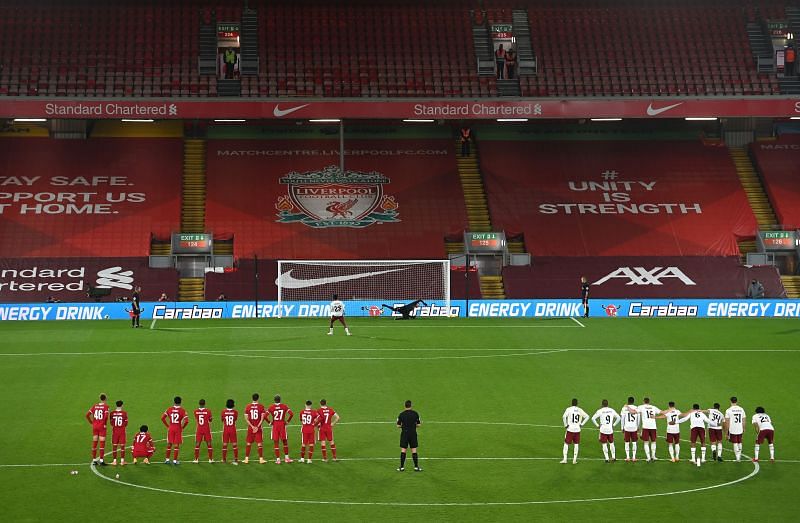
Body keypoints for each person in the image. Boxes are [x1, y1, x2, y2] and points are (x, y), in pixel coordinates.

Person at [161, 396, 189, 465]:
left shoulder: (169, 409)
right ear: (181, 402)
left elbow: (162, 418)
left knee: (169, 444)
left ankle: (167, 460)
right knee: (176, 445)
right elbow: (186, 421)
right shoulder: (182, 410)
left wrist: (168, 426)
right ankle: (175, 461)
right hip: (178, 428)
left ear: (174, 402)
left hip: (171, 428)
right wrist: (182, 428)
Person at [560, 398, 589, 464]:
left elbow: (564, 417)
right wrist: (581, 424)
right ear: (577, 403)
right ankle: (574, 460)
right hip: (577, 430)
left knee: (566, 443)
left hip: (570, 429)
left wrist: (565, 425)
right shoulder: (580, 410)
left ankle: (565, 459)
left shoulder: (569, 409)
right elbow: (587, 416)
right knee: (576, 444)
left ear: (571, 403)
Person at [268, 395, 294, 463]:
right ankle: (287, 458)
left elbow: (265, 416)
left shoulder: (271, 407)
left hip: (275, 425)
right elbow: (291, 414)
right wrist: (287, 421)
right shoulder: (284, 406)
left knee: (276, 442)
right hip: (282, 425)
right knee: (285, 441)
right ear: (280, 400)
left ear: (274, 400)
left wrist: (269, 423)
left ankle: (278, 459)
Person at [397, 400, 422, 471]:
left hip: (404, 433)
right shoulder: (415, 414)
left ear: (404, 406)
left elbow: (398, 425)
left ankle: (401, 467)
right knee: (414, 450)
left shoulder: (401, 414)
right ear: (411, 405)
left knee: (403, 450)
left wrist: (404, 426)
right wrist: (413, 426)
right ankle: (416, 467)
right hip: (413, 433)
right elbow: (419, 424)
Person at [86, 393, 110, 466]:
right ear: (105, 399)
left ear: (100, 398)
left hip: (95, 426)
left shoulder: (95, 406)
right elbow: (106, 416)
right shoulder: (106, 407)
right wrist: (105, 424)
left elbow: (87, 415)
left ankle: (94, 460)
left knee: (95, 442)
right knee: (102, 443)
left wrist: (91, 423)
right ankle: (101, 460)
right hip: (102, 427)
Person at [635, 397, 661, 462]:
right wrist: (670, 410)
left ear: (643, 401)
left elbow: (633, 412)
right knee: (653, 441)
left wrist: (627, 407)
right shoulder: (653, 407)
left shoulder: (641, 407)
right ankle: (653, 456)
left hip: (645, 427)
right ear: (649, 401)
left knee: (646, 442)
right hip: (653, 427)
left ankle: (648, 457)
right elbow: (662, 412)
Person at [244, 393, 267, 464]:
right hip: (258, 428)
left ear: (252, 398)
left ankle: (246, 459)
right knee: (259, 443)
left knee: (248, 443)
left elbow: (246, 419)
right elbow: (262, 418)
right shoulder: (261, 406)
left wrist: (252, 426)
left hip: (250, 428)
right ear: (258, 398)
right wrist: (257, 427)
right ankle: (261, 459)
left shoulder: (247, 407)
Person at [724, 396, 746, 462]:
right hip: (740, 428)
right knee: (739, 442)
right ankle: (739, 455)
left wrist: (726, 432)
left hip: (732, 429)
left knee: (735, 442)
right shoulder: (741, 409)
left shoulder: (728, 410)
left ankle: (738, 458)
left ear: (730, 401)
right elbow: (744, 420)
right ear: (737, 401)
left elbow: (727, 422)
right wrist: (744, 428)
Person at [620, 396, 640, 462]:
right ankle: (634, 457)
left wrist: (622, 427)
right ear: (633, 401)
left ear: (628, 401)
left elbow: (622, 418)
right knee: (634, 442)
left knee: (627, 442)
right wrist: (638, 426)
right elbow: (638, 418)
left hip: (627, 427)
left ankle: (628, 457)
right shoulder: (636, 408)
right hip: (634, 427)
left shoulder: (624, 408)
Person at [193, 399, 213, 463]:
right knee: (209, 444)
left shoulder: (195, 411)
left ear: (199, 404)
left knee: (197, 444)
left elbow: (197, 418)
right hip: (206, 428)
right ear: (204, 404)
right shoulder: (208, 411)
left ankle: (196, 459)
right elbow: (210, 420)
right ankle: (210, 459)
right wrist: (210, 419)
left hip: (199, 428)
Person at [221, 399, 239, 464]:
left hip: (226, 429)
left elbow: (222, 419)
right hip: (232, 429)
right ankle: (236, 459)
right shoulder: (235, 412)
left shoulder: (223, 412)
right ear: (233, 405)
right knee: (234, 444)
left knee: (225, 444)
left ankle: (223, 459)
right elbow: (235, 419)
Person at [110, 400, 128, 466]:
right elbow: (126, 423)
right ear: (122, 405)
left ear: (116, 405)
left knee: (114, 446)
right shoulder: (124, 413)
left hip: (115, 431)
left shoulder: (112, 413)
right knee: (122, 446)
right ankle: (122, 461)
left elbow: (111, 422)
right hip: (122, 431)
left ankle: (114, 461)